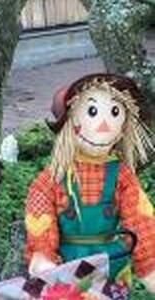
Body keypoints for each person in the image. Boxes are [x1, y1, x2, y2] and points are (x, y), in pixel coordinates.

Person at [24, 73, 155, 296]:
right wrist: (43, 260)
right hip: (67, 272)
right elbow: (40, 224)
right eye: (92, 111)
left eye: (115, 113)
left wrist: (150, 266)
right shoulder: (52, 180)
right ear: (70, 122)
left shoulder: (122, 177)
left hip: (112, 270)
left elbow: (140, 222)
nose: (104, 125)